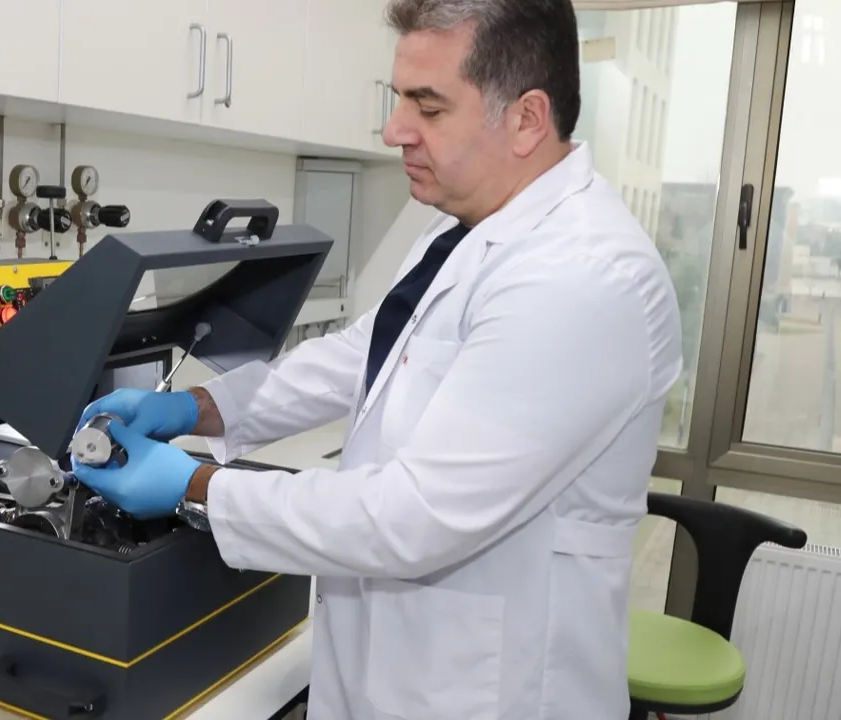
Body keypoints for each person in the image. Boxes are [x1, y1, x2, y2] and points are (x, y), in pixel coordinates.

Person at [71, 0, 683, 717]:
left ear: (526, 119)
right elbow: (363, 355)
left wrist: (195, 485)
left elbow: (415, 516)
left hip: (487, 691)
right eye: (400, 99)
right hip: (391, 664)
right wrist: (195, 408)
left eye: (429, 106)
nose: (395, 130)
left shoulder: (583, 276)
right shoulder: (464, 229)